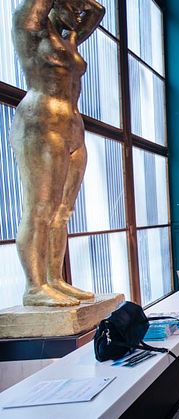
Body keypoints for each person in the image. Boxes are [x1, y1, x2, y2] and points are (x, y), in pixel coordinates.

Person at [10, 0, 106, 306]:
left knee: (63, 212)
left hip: (72, 124)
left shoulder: (69, 37)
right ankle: (34, 286)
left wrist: (76, 8)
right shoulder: (29, 26)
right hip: (41, 120)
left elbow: (97, 12)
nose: (78, 15)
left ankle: (54, 278)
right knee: (40, 208)